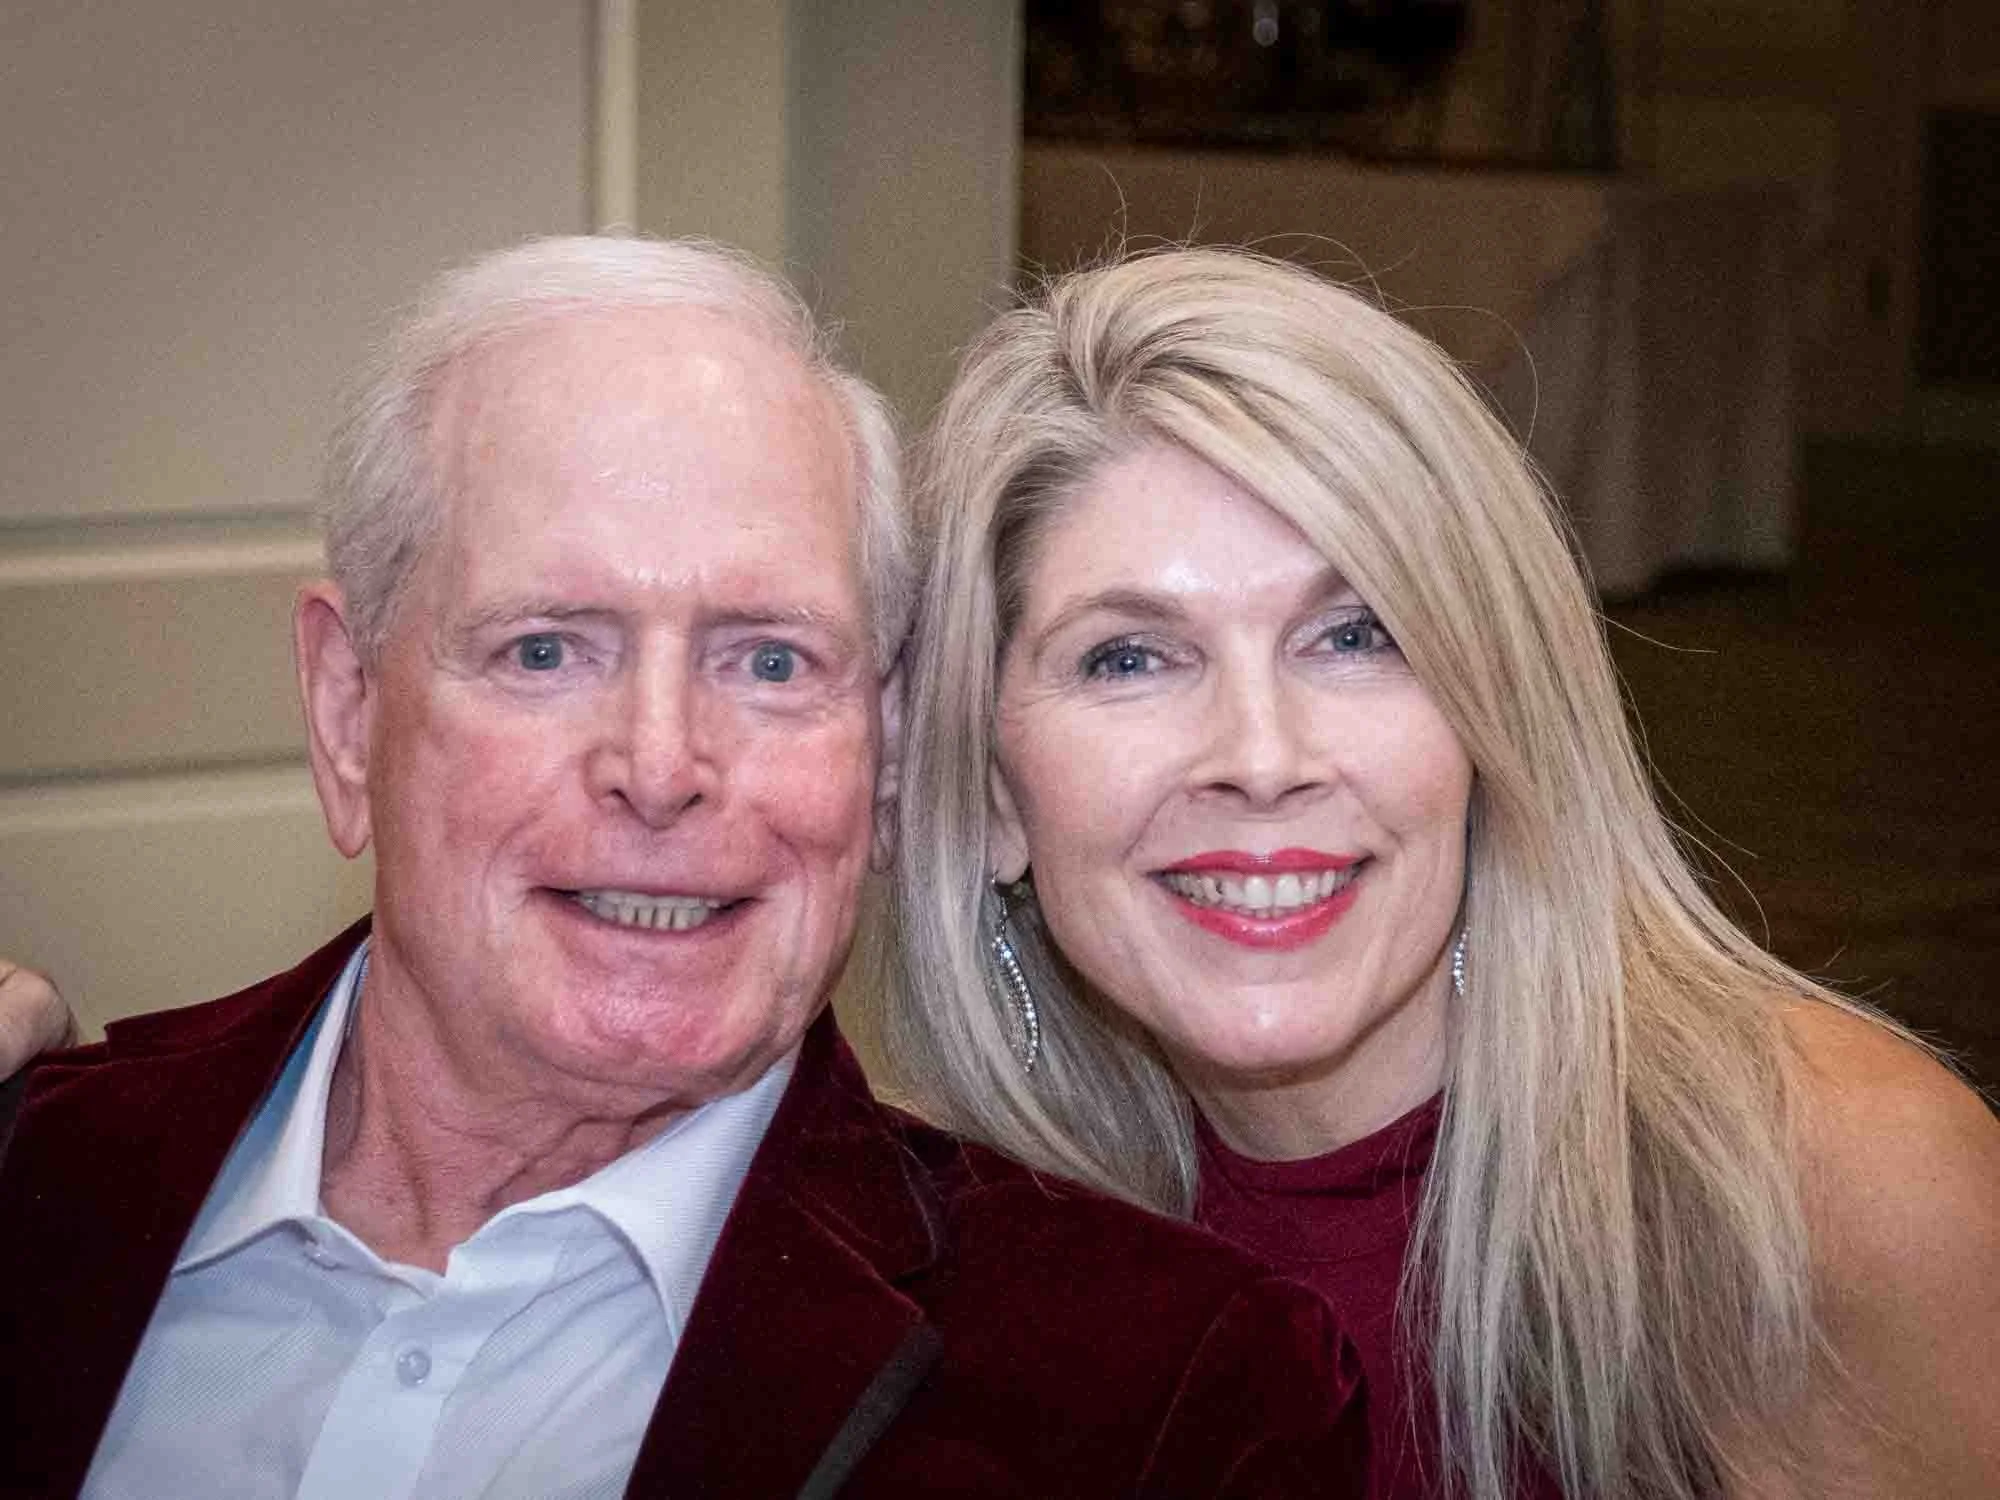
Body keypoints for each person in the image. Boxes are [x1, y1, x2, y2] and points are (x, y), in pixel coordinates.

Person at [0, 236, 1369, 1499]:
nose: (660, 768)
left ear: (885, 750)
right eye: (547, 650)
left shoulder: (1161, 1404)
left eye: (771, 661)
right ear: (350, 712)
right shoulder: (35, 1170)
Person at [884, 247, 2000, 1499]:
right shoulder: (918, 1262)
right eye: (1130, 660)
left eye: (1354, 635)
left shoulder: (1825, 1195)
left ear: (1492, 711)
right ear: (988, 794)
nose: (1259, 758)